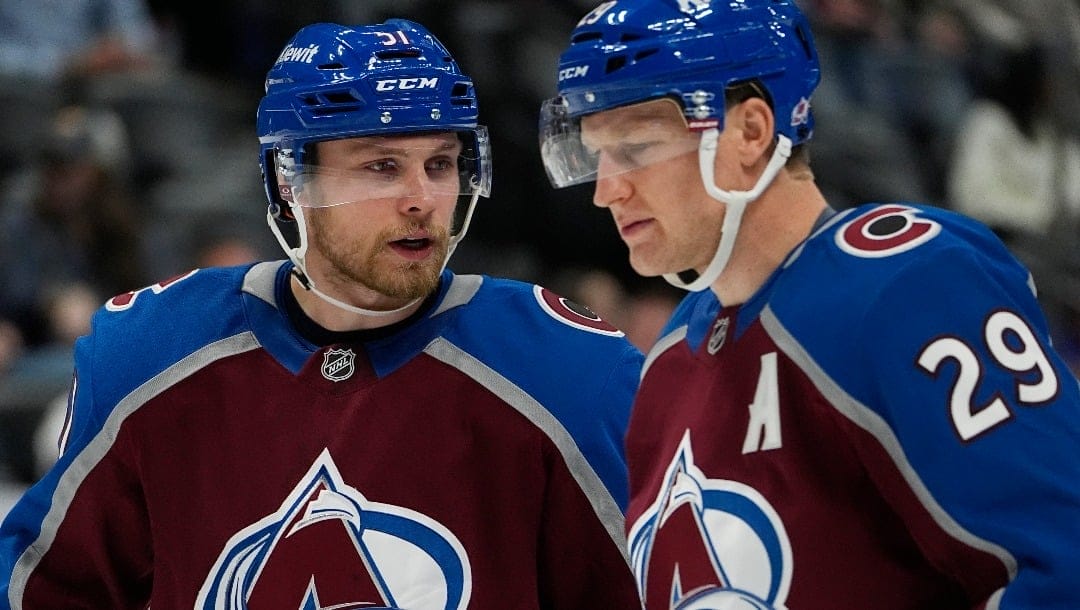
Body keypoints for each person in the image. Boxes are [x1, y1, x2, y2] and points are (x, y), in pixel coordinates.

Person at [0, 19, 644, 609]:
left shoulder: (570, 372)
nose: (421, 199)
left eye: (440, 165)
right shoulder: (150, 354)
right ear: (289, 182)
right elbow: (42, 590)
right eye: (382, 166)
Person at [538, 0, 1080, 608]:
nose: (607, 190)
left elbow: (1065, 559)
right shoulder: (667, 363)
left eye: (634, 149)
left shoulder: (907, 285)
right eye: (596, 155)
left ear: (749, 132)